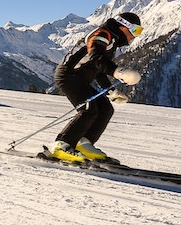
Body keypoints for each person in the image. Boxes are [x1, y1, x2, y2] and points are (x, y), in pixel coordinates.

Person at [49, 12, 144, 163]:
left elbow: (98, 69)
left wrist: (110, 91)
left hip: (81, 79)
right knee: (88, 109)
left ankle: (83, 144)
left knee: (106, 109)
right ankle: (62, 145)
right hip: (68, 76)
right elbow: (96, 59)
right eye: (135, 31)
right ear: (123, 26)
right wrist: (118, 72)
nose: (135, 36)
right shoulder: (102, 34)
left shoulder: (111, 41)